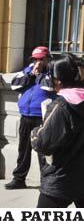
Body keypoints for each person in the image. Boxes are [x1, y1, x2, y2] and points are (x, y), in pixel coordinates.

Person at [31, 53, 84, 207]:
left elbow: (42, 143)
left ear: (58, 80)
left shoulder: (61, 106)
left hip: (61, 180)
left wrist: (36, 131)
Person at [5, 46, 56, 189]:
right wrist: (30, 75)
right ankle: (19, 179)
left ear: (48, 59)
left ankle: (45, 182)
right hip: (26, 116)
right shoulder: (28, 70)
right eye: (35, 59)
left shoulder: (53, 72)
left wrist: (39, 75)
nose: (37, 62)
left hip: (42, 117)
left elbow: (50, 87)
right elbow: (14, 85)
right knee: (23, 150)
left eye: (41, 59)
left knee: (43, 151)